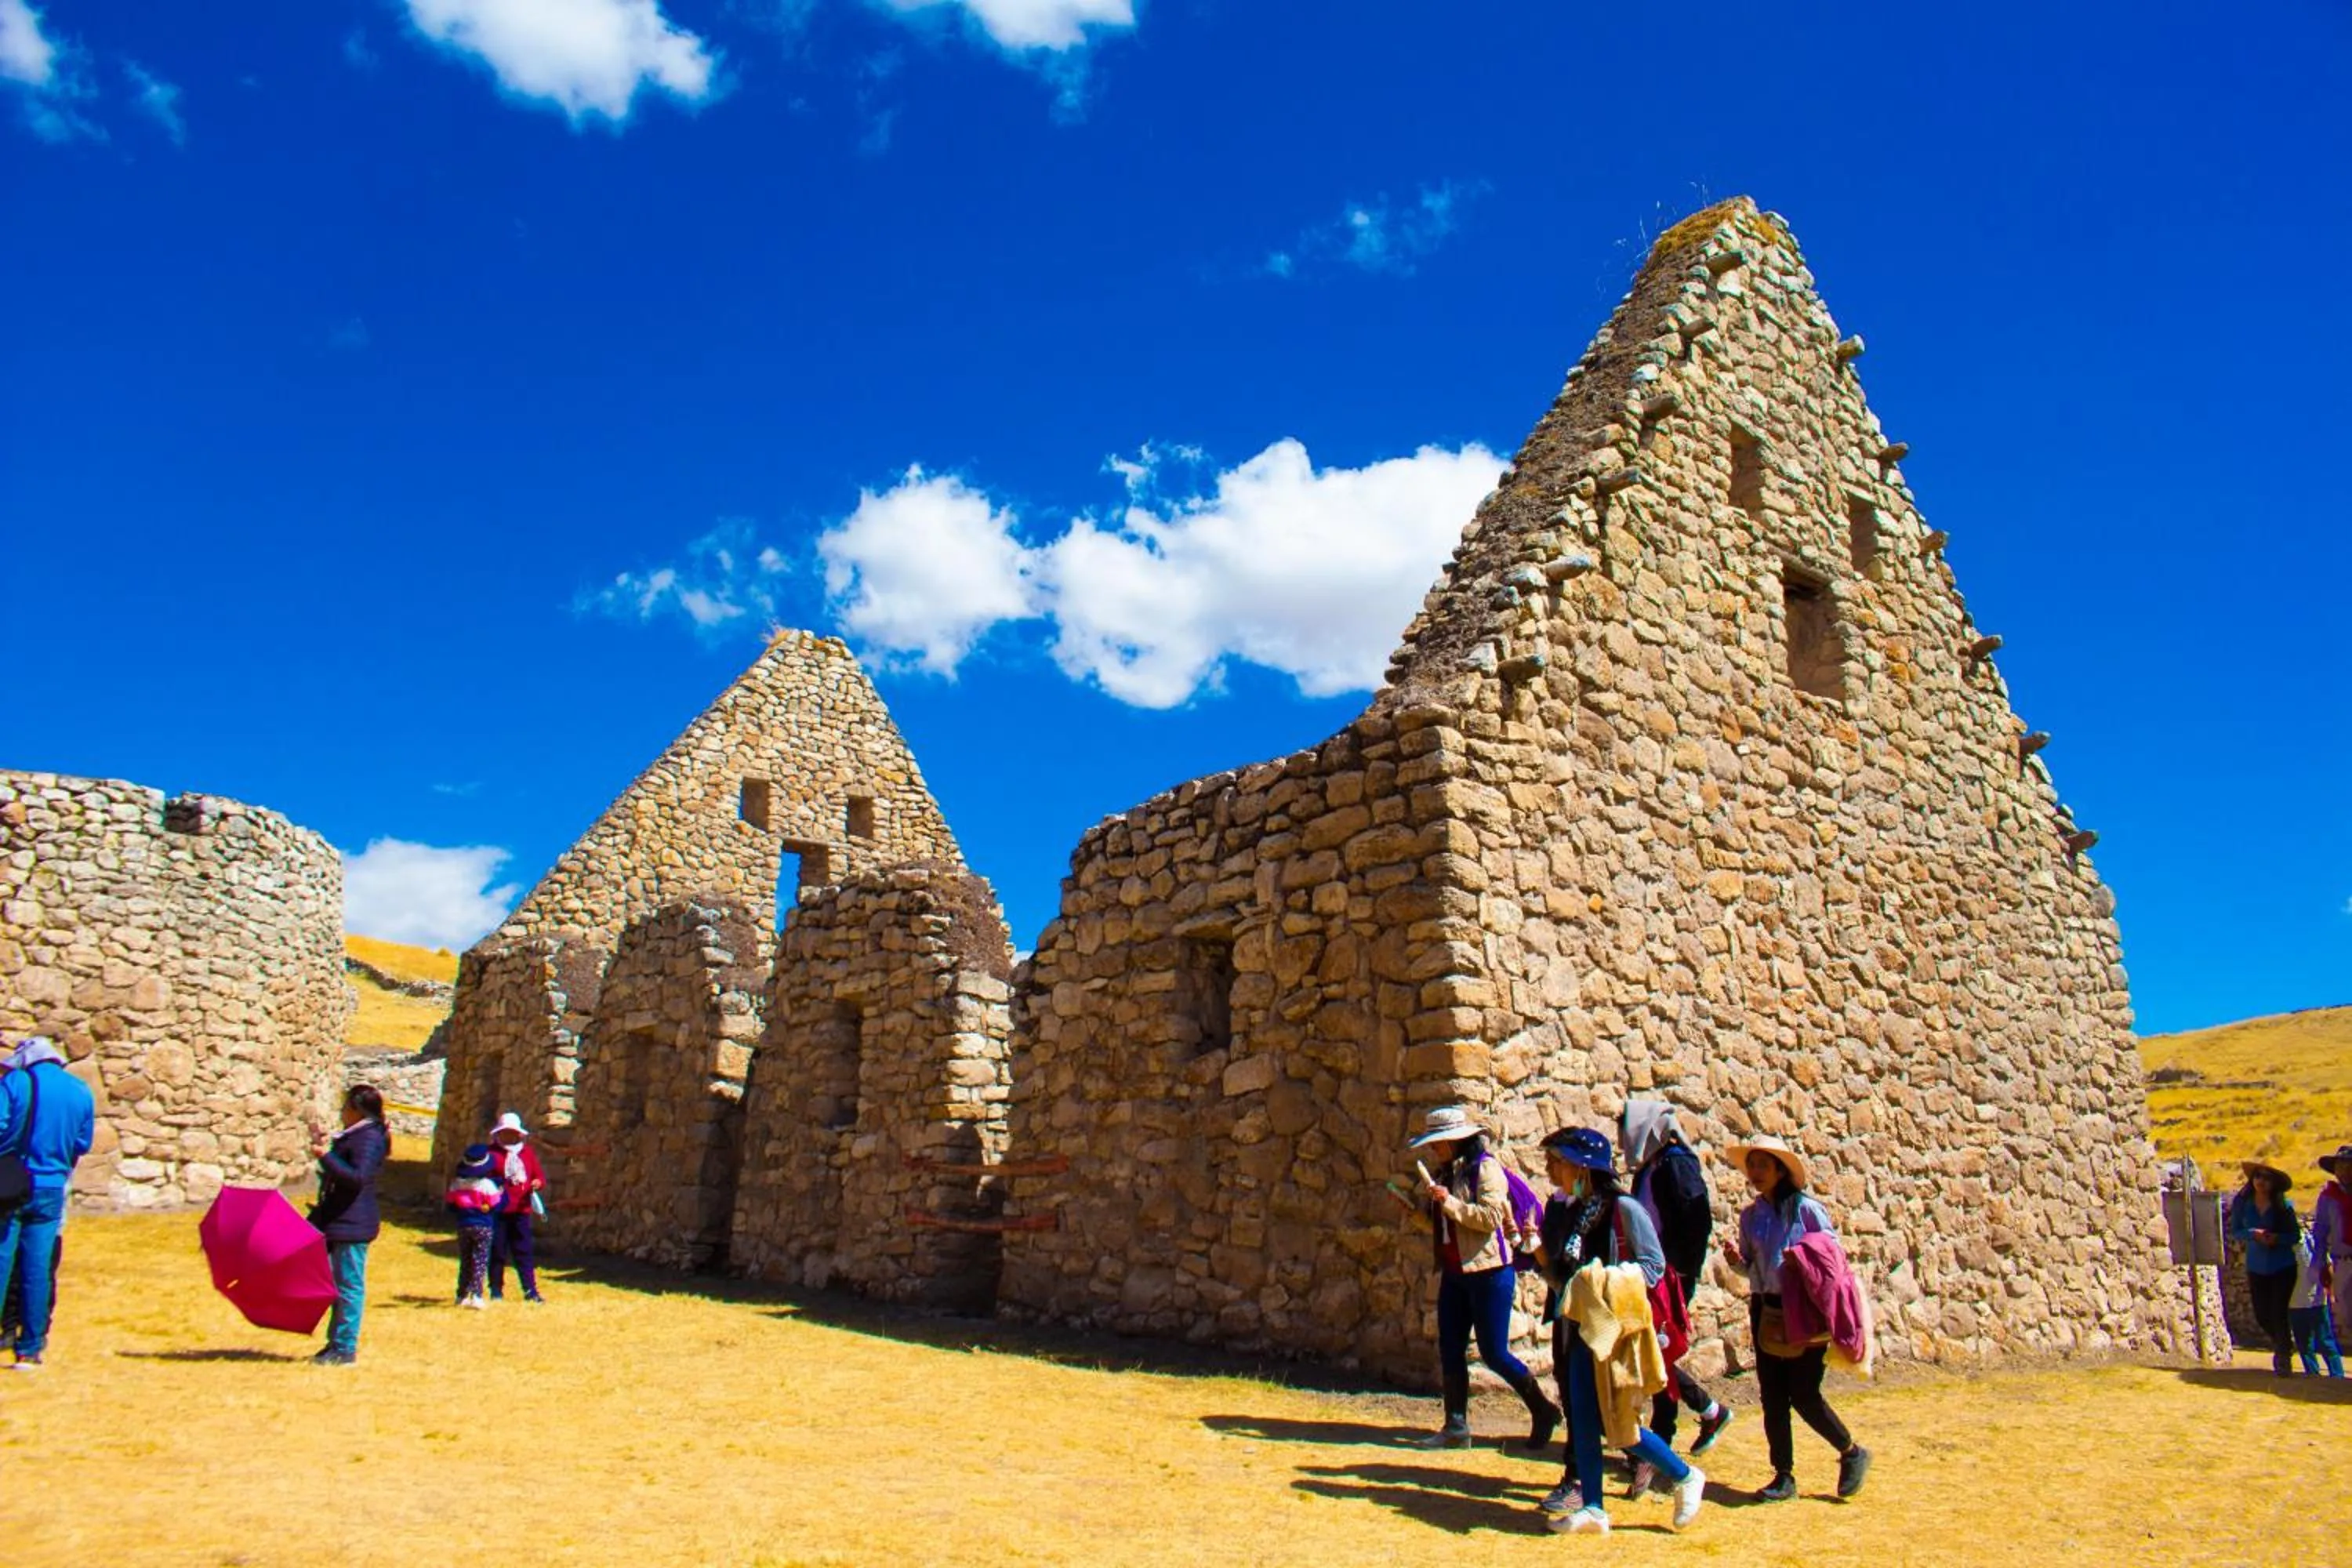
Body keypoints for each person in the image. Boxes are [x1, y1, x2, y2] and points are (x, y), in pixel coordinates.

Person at [1532, 1127, 1706, 1535]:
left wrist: (1607, 1281)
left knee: (1619, 1420)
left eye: (1557, 1162)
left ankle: (1684, 1476)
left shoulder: (1624, 1208)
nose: (1551, 1170)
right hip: (1581, 1330)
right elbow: (1566, 1280)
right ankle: (1594, 1507)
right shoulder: (1574, 1211)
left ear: (1582, 1167)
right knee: (1583, 1420)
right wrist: (1538, 1254)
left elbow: (1653, 1266)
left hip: (1613, 1334)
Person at [1720, 1135, 1871, 1501]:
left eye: (1763, 1165)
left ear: (1780, 1170)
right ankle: (1783, 1475)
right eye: (1752, 1165)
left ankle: (1851, 1451)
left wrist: (1801, 1257)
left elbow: (1831, 1259)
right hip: (1766, 1310)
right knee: (1772, 1396)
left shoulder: (1807, 1211)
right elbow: (1753, 1268)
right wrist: (1737, 1263)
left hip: (1803, 1310)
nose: (1755, 1172)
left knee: (1803, 1394)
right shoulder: (1750, 1216)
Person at [1402, 1104, 1558, 1450]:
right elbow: (1451, 1229)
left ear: (1455, 1141)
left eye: (1438, 1143)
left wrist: (1448, 1203)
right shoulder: (1447, 1174)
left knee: (1494, 1353)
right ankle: (1455, 1426)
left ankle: (1542, 1408)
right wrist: (1418, 1215)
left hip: (1490, 1274)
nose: (1434, 1150)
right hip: (1455, 1273)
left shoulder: (1486, 1170)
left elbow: (1489, 1218)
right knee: (1450, 1348)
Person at [1621, 1098, 1734, 1465]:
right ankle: (1706, 1412)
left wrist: (1680, 1271)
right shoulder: (1652, 1166)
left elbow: (1695, 1219)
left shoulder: (1676, 1165)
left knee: (1656, 1352)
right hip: (1653, 1274)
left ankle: (1663, 1438)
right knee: (1651, 1352)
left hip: (1668, 1277)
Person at [0, 1036, 96, 1370]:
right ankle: (30, 1349)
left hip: (12, 1184)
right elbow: (82, 1142)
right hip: (53, 1187)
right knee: (38, 1269)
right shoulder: (80, 1090)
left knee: (3, 1261)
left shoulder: (16, 1082)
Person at [308, 1084, 389, 1366]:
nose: (342, 1113)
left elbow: (357, 1177)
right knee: (336, 1286)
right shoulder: (358, 1136)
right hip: (340, 1220)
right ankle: (335, 1343)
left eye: (345, 1108)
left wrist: (325, 1156)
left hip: (353, 1223)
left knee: (349, 1287)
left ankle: (345, 1348)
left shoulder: (369, 1138)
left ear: (357, 1110)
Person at [2226, 1162, 2300, 1376]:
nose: (2261, 1181)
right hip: (2257, 1266)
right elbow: (2236, 1230)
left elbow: (2295, 1236)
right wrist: (2253, 1234)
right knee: (2261, 1314)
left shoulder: (2283, 1207)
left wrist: (2277, 1239)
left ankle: (2283, 1357)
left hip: (2283, 1266)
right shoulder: (2243, 1203)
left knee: (2278, 1311)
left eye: (2267, 1178)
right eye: (2258, 1176)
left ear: (2274, 1183)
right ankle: (2284, 1343)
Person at [488, 1112, 547, 1304]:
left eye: (512, 1132)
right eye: (505, 1132)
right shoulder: (491, 1154)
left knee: (524, 1251)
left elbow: (538, 1176)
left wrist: (537, 1183)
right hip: (498, 1211)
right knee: (497, 1251)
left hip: (521, 1210)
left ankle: (530, 1290)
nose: (508, 1135)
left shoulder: (527, 1153)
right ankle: (496, 1290)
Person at [2288, 1201, 2344, 1378]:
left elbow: (2327, 1266)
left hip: (2316, 1300)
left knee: (2325, 1341)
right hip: (2295, 1302)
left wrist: (2330, 1293)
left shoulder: (2311, 1242)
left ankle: (2337, 1375)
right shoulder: (2282, 1247)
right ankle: (2313, 1375)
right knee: (2305, 1343)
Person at [447, 1142, 503, 1308]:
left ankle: (461, 1295)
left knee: (466, 1261)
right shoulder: (487, 1186)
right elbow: (496, 1205)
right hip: (483, 1226)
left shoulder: (456, 1184)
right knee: (480, 1261)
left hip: (464, 1225)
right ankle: (477, 1295)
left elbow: (451, 1205)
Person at [2314, 1147, 2352, 1346]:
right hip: (2342, 1262)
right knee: (2347, 1313)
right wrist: (2321, 1263)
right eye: (2340, 1166)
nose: (2345, 1171)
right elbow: (2320, 1231)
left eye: (2349, 1166)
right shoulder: (2329, 1197)